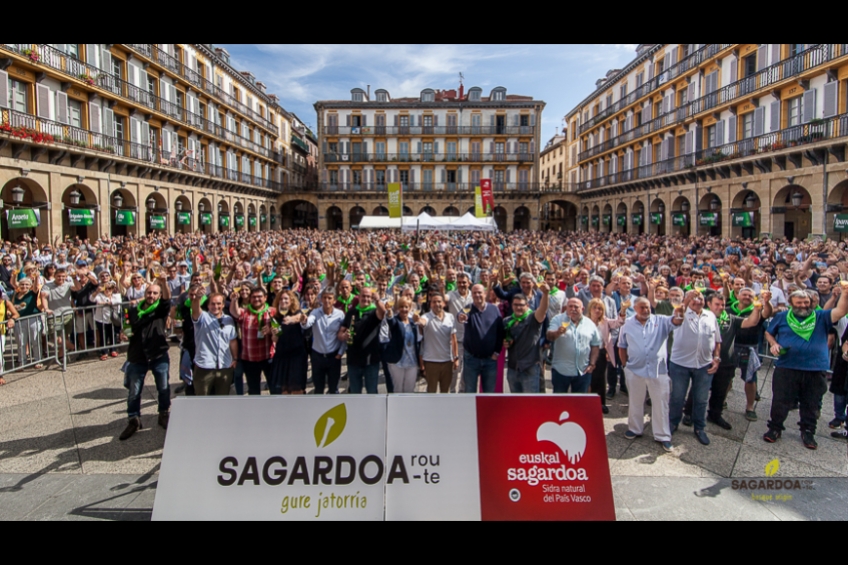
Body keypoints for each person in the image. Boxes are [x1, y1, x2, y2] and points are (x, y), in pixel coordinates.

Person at [763, 288, 848, 449]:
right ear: (791, 303)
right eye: (799, 303)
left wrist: (845, 293)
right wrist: (774, 344)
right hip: (787, 366)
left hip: (815, 368)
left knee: (811, 403)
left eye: (806, 302)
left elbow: (841, 311)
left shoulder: (820, 316)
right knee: (781, 400)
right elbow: (769, 332)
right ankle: (775, 428)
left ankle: (808, 431)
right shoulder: (782, 316)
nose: (803, 305)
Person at [682, 291, 764, 431]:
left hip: (726, 362)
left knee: (720, 391)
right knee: (698, 388)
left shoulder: (731, 319)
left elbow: (752, 322)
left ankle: (715, 415)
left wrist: (756, 309)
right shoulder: (700, 317)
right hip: (704, 361)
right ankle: (689, 413)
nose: (720, 307)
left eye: (723, 304)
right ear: (709, 304)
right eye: (717, 304)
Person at [618, 297, 683, 452]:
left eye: (647, 307)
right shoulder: (627, 324)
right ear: (635, 308)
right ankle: (635, 428)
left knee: (661, 403)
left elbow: (676, 321)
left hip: (658, 371)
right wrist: (625, 365)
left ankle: (663, 435)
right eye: (642, 307)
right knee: (635, 401)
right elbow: (621, 345)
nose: (646, 310)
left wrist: (680, 311)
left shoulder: (661, 320)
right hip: (635, 370)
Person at [120, 278, 172, 441]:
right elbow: (127, 327)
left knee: (163, 388)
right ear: (145, 293)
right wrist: (124, 334)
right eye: (149, 292)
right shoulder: (133, 310)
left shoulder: (160, 309)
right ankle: (133, 420)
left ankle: (163, 413)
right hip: (137, 356)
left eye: (155, 293)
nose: (152, 295)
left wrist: (164, 283)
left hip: (158, 355)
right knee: (134, 392)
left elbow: (166, 300)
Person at [668, 290, 722, 446]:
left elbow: (717, 340)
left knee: (701, 399)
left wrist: (716, 358)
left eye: (700, 298)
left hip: (703, 365)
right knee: (677, 397)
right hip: (680, 365)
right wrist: (686, 301)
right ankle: (672, 423)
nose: (697, 301)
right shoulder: (681, 312)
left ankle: (699, 428)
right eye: (693, 299)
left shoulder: (710, 316)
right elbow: (678, 316)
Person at [546, 298, 601, 394]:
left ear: (582, 309)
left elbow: (595, 345)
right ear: (566, 308)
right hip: (561, 371)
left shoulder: (589, 324)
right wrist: (557, 332)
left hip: (583, 371)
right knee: (559, 401)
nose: (573, 309)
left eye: (576, 307)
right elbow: (549, 336)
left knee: (580, 401)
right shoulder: (558, 319)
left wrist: (592, 364)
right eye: (570, 306)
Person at [338, 288, 386, 394]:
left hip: (371, 361)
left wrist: (378, 300)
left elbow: (383, 312)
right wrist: (343, 336)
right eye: (363, 296)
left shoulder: (375, 312)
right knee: (355, 393)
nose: (366, 298)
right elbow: (340, 333)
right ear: (359, 297)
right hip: (353, 360)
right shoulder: (351, 313)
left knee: (372, 392)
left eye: (368, 296)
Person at [505, 282, 550, 393]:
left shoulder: (533, 318)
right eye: (515, 305)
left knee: (530, 402)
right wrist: (505, 342)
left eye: (521, 305)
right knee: (516, 401)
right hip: (512, 368)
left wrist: (545, 294)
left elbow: (543, 309)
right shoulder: (507, 321)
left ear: (527, 305)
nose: (518, 307)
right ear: (512, 306)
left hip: (529, 368)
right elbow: (504, 339)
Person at [230, 286, 275, 396]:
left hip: (268, 357)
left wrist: (271, 330)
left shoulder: (272, 311)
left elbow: (279, 330)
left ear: (265, 297)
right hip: (250, 358)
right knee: (254, 390)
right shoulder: (245, 312)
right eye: (254, 297)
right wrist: (234, 300)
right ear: (250, 299)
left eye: (259, 297)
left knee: (274, 387)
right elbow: (234, 312)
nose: (256, 299)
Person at [191, 292, 238, 396]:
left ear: (223, 305)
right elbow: (195, 309)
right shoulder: (202, 317)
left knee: (222, 399)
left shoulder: (228, 319)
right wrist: (197, 298)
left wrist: (235, 358)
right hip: (204, 366)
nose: (215, 306)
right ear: (208, 305)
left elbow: (232, 340)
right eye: (212, 304)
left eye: (218, 303)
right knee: (202, 399)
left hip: (225, 366)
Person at [461, 283, 505, 393]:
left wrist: (497, 352)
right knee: (469, 391)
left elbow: (500, 332)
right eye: (474, 293)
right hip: (471, 359)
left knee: (489, 394)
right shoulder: (468, 308)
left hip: (490, 360)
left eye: (479, 292)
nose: (477, 295)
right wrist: (460, 317)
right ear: (471, 295)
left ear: (485, 293)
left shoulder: (494, 309)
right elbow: (460, 315)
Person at [586, 297, 626, 413]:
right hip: (586, 353)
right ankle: (587, 403)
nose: (597, 310)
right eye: (594, 307)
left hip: (601, 353)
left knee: (600, 379)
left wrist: (623, 311)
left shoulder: (605, 321)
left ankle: (600, 404)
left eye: (600, 308)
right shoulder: (584, 321)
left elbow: (619, 323)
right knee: (588, 379)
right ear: (590, 309)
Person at [304, 288, 346, 394]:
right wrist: (304, 321)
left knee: (334, 389)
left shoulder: (340, 314)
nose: (327, 300)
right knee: (318, 389)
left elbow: (344, 334)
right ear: (321, 299)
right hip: (318, 356)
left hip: (333, 357)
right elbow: (307, 323)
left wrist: (340, 353)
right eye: (324, 297)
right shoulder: (315, 312)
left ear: (334, 300)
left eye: (329, 298)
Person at [270, 290, 309, 394]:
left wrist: (291, 319)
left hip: (297, 355)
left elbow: (300, 318)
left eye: (286, 298)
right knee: (284, 389)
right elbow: (275, 339)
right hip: (282, 355)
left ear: (291, 300)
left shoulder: (297, 313)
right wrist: (275, 333)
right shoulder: (276, 318)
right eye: (281, 299)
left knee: (297, 388)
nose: (283, 301)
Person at [419, 293, 459, 394]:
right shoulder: (425, 317)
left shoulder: (450, 317)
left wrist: (456, 357)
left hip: (447, 362)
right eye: (434, 302)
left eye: (439, 301)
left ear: (444, 303)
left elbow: (454, 338)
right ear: (430, 304)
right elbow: (422, 322)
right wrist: (419, 320)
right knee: (431, 392)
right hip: (431, 362)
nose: (437, 304)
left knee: (445, 392)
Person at [379, 296, 421, 393]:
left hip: (412, 362)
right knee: (398, 390)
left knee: (409, 390)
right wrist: (389, 311)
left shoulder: (413, 322)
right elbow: (391, 321)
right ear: (398, 308)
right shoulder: (396, 321)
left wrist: (419, 322)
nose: (404, 309)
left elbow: (419, 338)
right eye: (401, 307)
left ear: (410, 308)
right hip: (397, 362)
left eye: (406, 307)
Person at [446, 272, 473, 393]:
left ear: (469, 283)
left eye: (464, 282)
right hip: (456, 340)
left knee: (467, 370)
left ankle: (462, 392)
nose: (462, 285)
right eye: (459, 282)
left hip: (471, 339)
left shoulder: (474, 295)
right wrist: (441, 288)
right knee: (454, 369)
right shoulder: (451, 294)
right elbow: (444, 299)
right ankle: (452, 392)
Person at [11, 277, 43, 369]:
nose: (24, 286)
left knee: (35, 341)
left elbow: (36, 287)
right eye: (22, 284)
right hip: (19, 321)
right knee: (21, 342)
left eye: (27, 285)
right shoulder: (14, 295)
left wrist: (36, 277)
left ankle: (38, 360)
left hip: (33, 319)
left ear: (30, 286)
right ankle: (22, 362)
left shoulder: (32, 293)